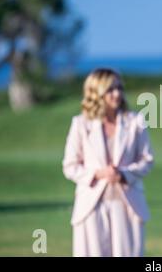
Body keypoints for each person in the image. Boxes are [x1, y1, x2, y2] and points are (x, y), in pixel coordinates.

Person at [62, 68, 154, 257]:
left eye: (119, 88)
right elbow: (70, 166)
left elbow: (147, 160)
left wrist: (123, 174)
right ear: (96, 93)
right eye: (110, 89)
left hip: (128, 204)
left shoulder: (135, 121)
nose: (117, 94)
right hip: (91, 204)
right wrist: (98, 173)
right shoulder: (81, 124)